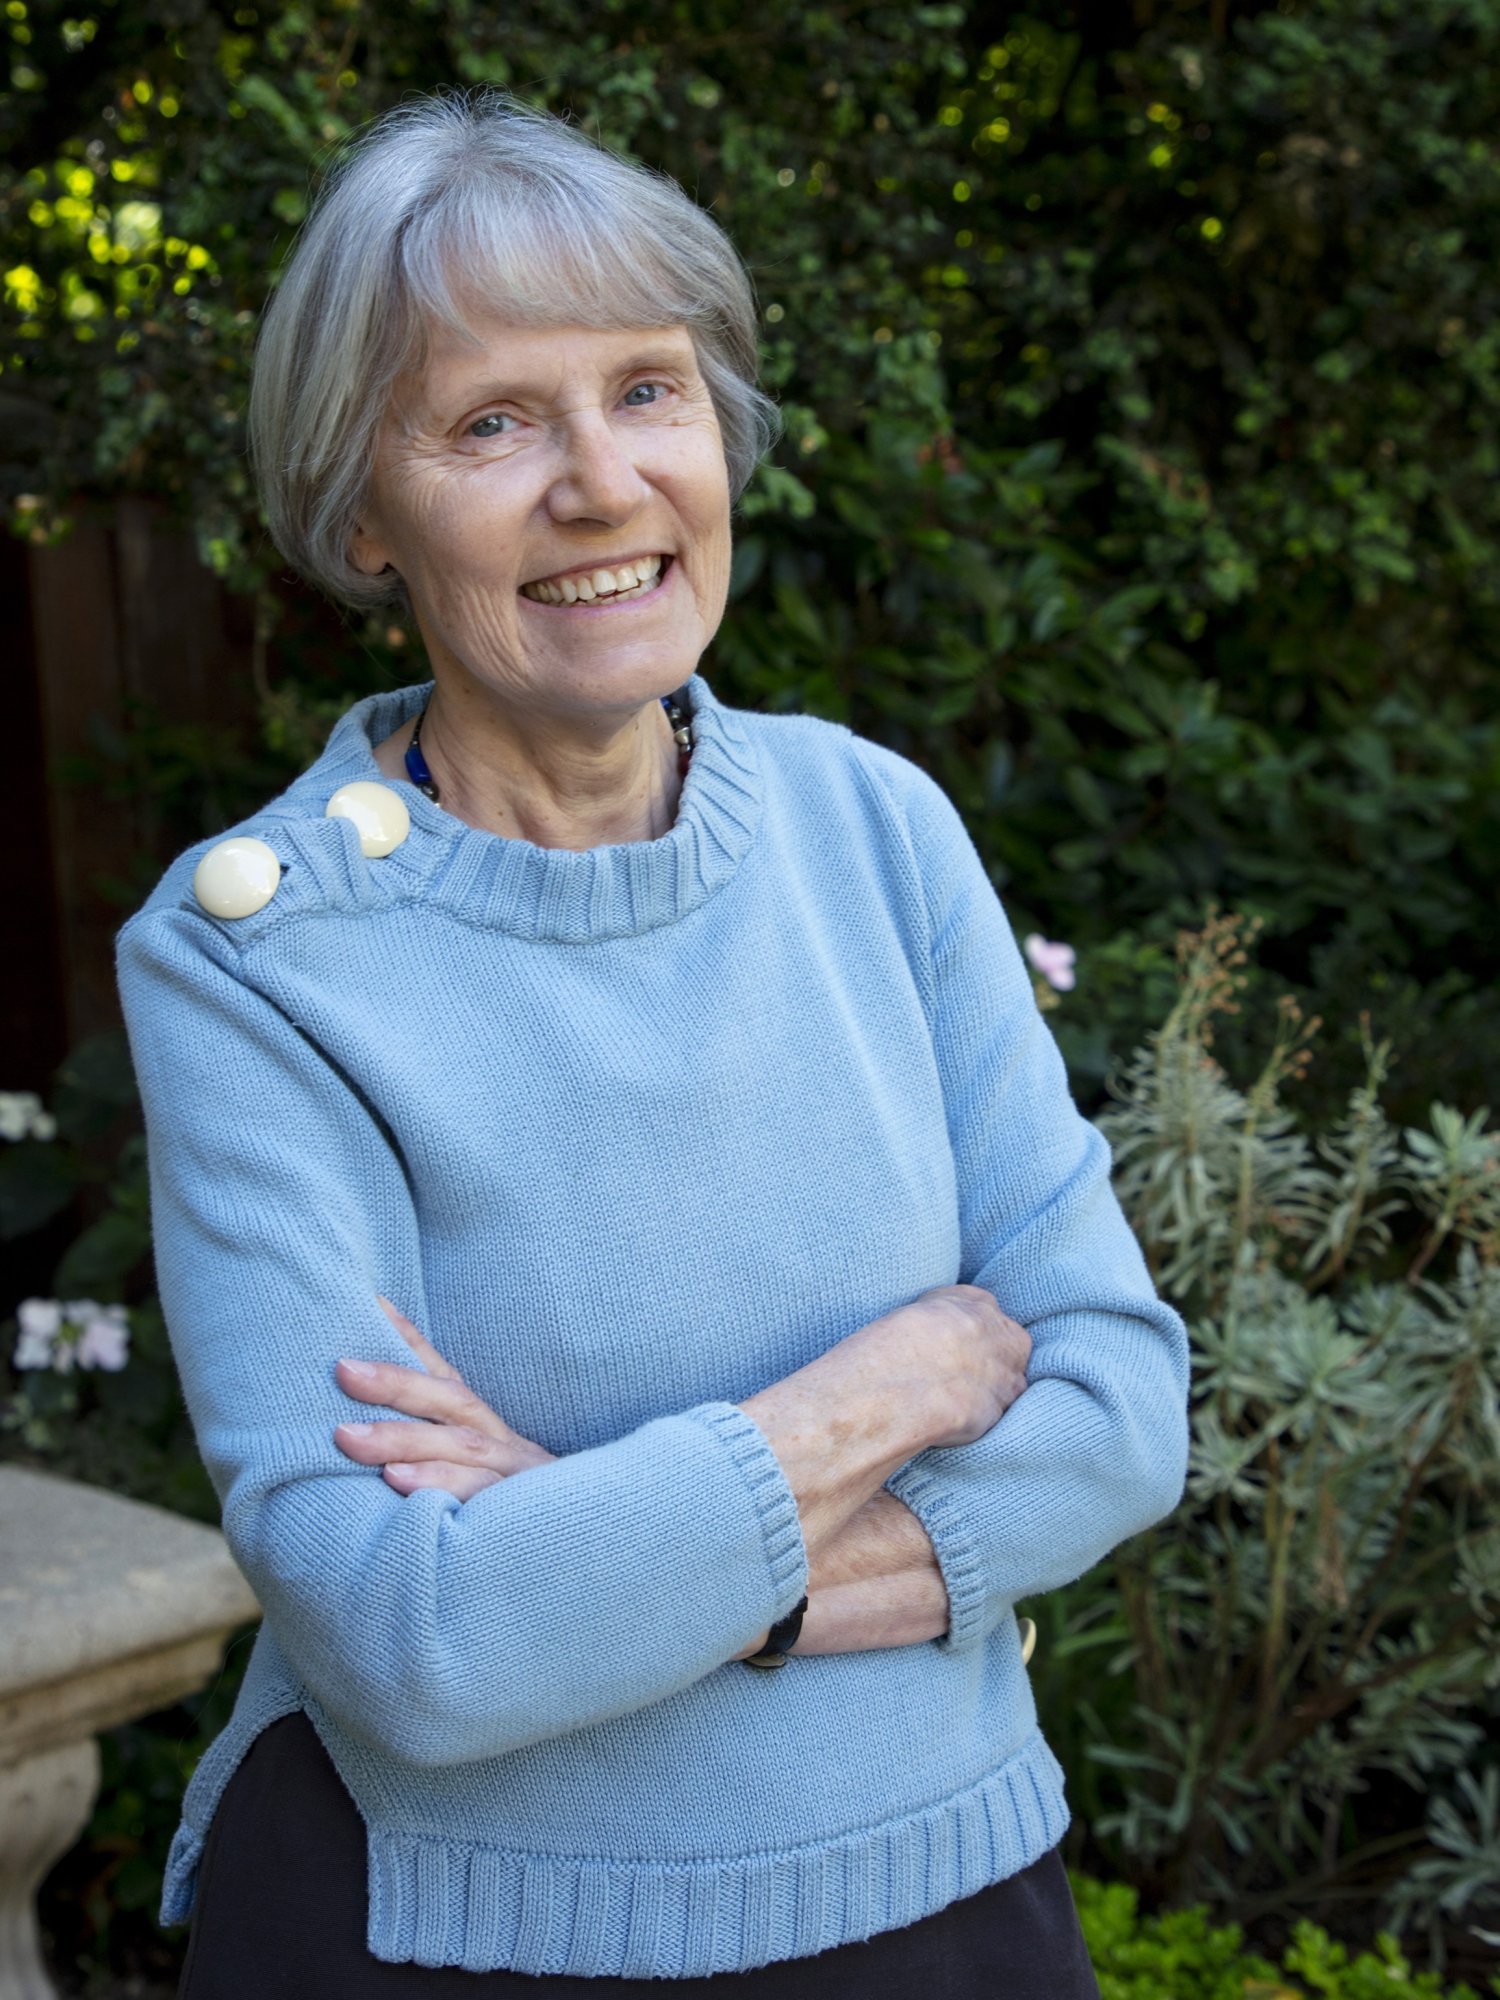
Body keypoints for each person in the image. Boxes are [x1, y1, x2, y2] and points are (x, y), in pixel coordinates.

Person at [116, 89, 1190, 1999]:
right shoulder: (257, 960)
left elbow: (1115, 1412)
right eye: (493, 422)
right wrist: (886, 1392)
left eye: (648, 391)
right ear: (362, 510)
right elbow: (419, 1643)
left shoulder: (877, 828)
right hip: (455, 1938)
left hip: (949, 1901)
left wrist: (601, 1539)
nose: (601, 484)